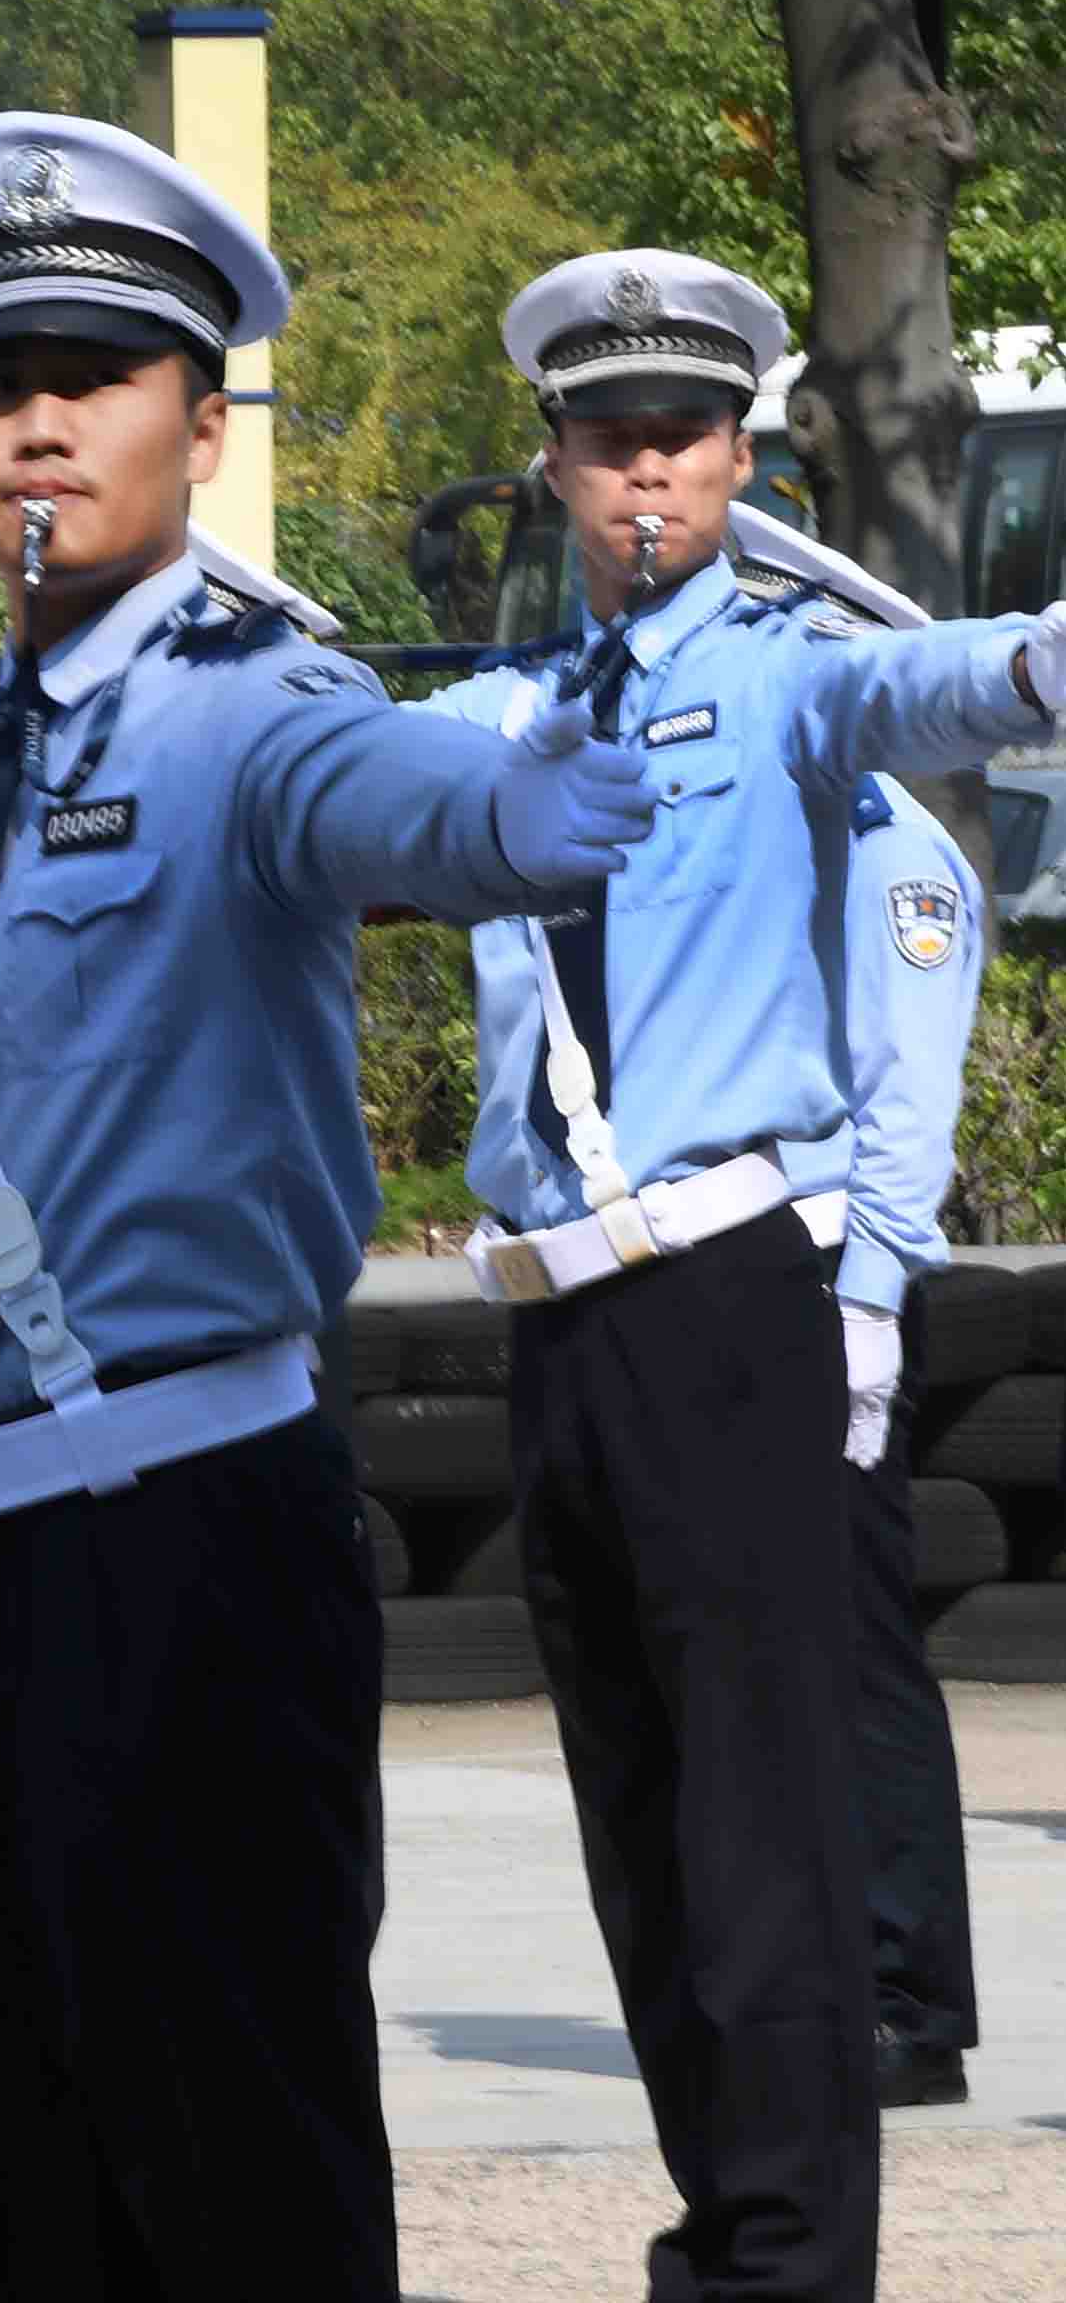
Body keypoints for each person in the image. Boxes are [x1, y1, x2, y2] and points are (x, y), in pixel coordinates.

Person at [0, 113, 671, 2298]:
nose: (38, 421)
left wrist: (525, 801)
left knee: (237, 2174)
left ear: (202, 414)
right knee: (20, 2169)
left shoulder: (255, 709)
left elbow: (400, 791)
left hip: (183, 1538)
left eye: (94, 371)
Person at [412, 247, 1066, 2299]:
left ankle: (792, 2262)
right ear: (555, 464)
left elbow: (937, 681)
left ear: (742, 454)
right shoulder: (496, 716)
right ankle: (722, 2221)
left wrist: (1047, 660)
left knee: (762, 1823)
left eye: (681, 438)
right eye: (607, 442)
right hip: (554, 1309)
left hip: (723, 1291)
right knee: (634, 1816)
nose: (644, 479)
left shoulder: (787, 670)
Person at [717, 507, 987, 2111]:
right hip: (734, 1265)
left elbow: (907, 1099)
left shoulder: (892, 841)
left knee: (852, 1651)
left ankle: (906, 1994)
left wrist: (871, 1300)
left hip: (830, 1270)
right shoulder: (765, 830)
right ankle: (806, 1969)